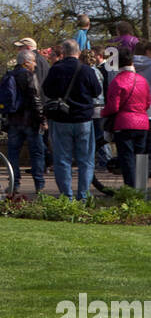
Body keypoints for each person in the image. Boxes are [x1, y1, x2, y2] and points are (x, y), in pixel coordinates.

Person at [42, 39, 102, 201]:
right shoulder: (86, 70)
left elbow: (46, 89)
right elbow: (97, 91)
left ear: (64, 51)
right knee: (86, 160)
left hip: (61, 119)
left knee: (62, 159)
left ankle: (66, 196)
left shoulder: (56, 69)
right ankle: (83, 195)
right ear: (79, 52)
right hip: (83, 119)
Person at [0, 47, 46, 195]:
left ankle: (14, 183)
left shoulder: (9, 75)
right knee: (37, 152)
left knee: (13, 153)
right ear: (26, 62)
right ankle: (39, 184)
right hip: (30, 121)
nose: (35, 65)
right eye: (33, 62)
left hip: (13, 120)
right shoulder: (29, 76)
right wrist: (42, 119)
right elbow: (35, 98)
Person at [101, 49, 150, 189]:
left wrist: (103, 113)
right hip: (142, 123)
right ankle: (141, 190)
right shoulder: (142, 81)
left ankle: (131, 190)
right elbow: (147, 103)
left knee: (127, 159)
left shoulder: (117, 81)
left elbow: (113, 107)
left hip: (124, 124)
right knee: (140, 158)